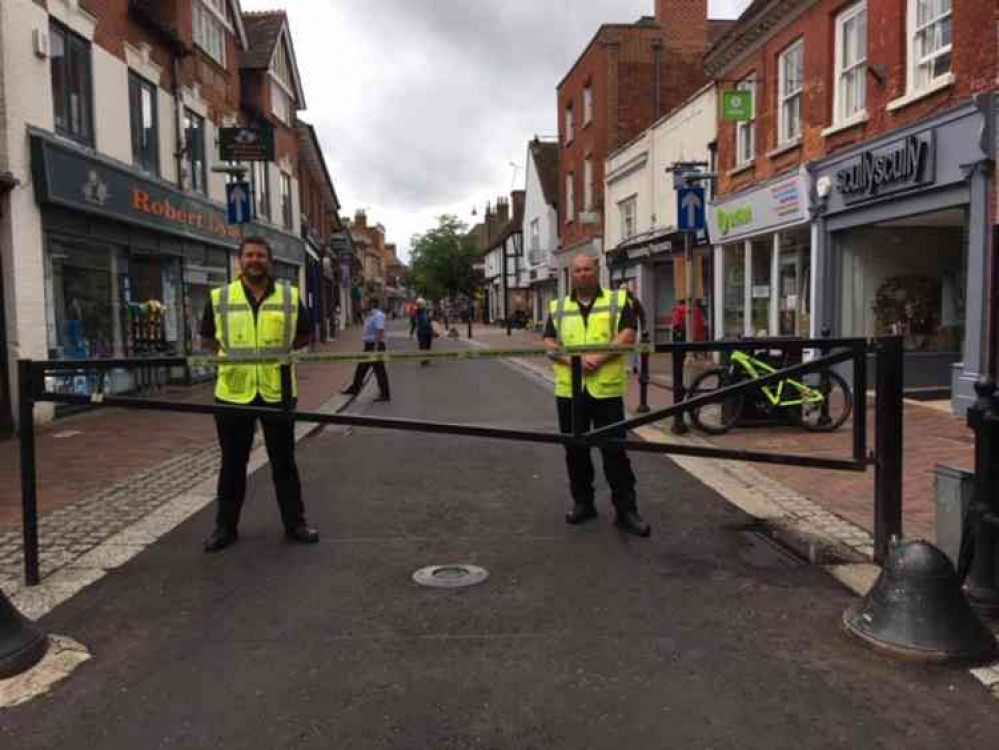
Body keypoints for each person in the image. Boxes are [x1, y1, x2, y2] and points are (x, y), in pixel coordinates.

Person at [199, 236, 318, 553]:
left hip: (276, 390)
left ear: (270, 261)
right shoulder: (220, 296)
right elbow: (207, 340)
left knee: (284, 463)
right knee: (232, 464)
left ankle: (296, 524)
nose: (255, 260)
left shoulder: (290, 297)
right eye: (249, 255)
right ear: (240, 261)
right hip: (233, 392)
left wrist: (275, 355)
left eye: (261, 255)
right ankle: (225, 528)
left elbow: (305, 335)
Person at [543, 254, 650, 537]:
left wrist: (598, 358)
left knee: (615, 451)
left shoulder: (617, 301)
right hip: (570, 390)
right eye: (577, 270)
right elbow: (550, 342)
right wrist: (575, 363)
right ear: (572, 274)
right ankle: (583, 503)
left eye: (587, 269)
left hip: (606, 390)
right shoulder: (558, 306)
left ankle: (626, 510)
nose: (582, 274)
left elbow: (627, 334)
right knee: (575, 451)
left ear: (596, 271)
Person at [342, 298, 390, 402]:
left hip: (375, 345)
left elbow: (380, 331)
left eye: (367, 303)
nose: (364, 304)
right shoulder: (370, 315)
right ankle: (354, 388)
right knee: (361, 368)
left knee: (379, 371)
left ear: (372, 304)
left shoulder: (378, 315)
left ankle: (385, 394)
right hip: (369, 345)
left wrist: (376, 347)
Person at [414, 298, 434, 366]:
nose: (421, 305)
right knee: (423, 346)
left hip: (428, 331)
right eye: (419, 304)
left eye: (421, 304)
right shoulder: (419, 312)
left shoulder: (425, 312)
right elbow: (424, 321)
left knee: (428, 347)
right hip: (422, 332)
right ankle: (423, 361)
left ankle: (426, 360)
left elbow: (429, 321)